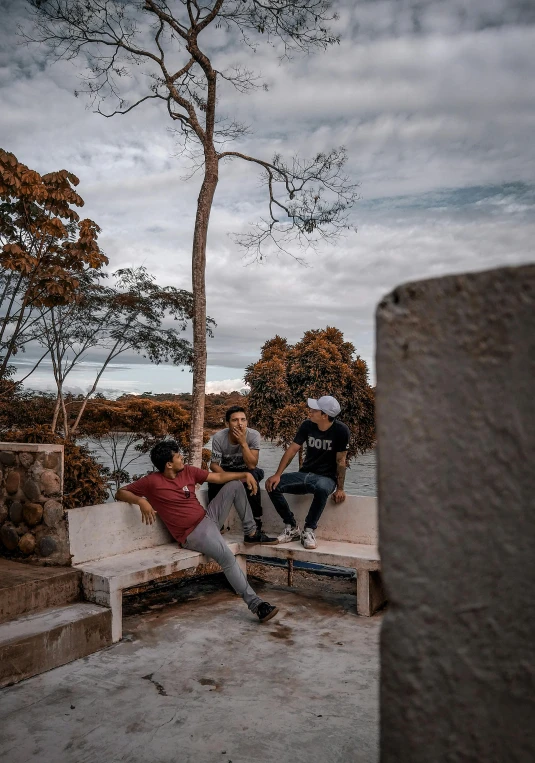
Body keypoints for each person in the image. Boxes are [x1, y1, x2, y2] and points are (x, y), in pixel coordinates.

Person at [116, 439, 278, 623]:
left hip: (209, 518)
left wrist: (244, 474)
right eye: (178, 456)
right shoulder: (152, 482)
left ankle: (251, 533)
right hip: (193, 533)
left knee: (235, 485)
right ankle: (257, 605)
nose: (181, 457)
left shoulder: (188, 471)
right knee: (226, 557)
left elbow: (216, 478)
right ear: (168, 464)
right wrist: (142, 501)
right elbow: (120, 492)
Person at [265, 396, 349, 550]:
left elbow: (341, 461)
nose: (310, 412)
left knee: (322, 488)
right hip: (305, 474)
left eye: (314, 410)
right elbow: (292, 450)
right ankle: (291, 527)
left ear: (324, 415)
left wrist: (340, 488)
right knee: (272, 485)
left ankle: (309, 530)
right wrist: (277, 474)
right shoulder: (307, 426)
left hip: (326, 478)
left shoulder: (341, 430)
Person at [209, 405, 276, 543]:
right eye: (235, 420)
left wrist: (243, 443)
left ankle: (255, 526)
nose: (240, 424)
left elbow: (252, 464)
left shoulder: (253, 435)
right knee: (213, 481)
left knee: (252, 480)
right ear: (227, 423)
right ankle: (216, 524)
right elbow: (214, 465)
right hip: (226, 470)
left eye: (243, 420)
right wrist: (228, 478)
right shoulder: (219, 437)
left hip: (248, 470)